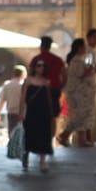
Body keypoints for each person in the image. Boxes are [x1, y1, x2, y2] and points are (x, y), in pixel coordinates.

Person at [24, 36, 64, 172]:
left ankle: (43, 148)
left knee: (34, 126)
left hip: (40, 93)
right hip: (54, 90)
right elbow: (64, 75)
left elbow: (29, 73)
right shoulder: (57, 60)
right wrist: (60, 86)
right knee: (52, 119)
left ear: (41, 46)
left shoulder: (35, 59)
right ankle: (50, 141)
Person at [63, 38, 96, 149]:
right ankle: (65, 135)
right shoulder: (77, 61)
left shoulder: (79, 60)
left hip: (80, 94)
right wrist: (89, 71)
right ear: (79, 48)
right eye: (84, 46)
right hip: (77, 94)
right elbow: (80, 74)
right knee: (79, 115)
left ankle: (77, 138)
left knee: (81, 116)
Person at [0, 64, 26, 132]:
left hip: (11, 113)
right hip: (24, 113)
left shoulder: (7, 84)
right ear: (23, 74)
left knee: (12, 133)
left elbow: (2, 100)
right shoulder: (24, 85)